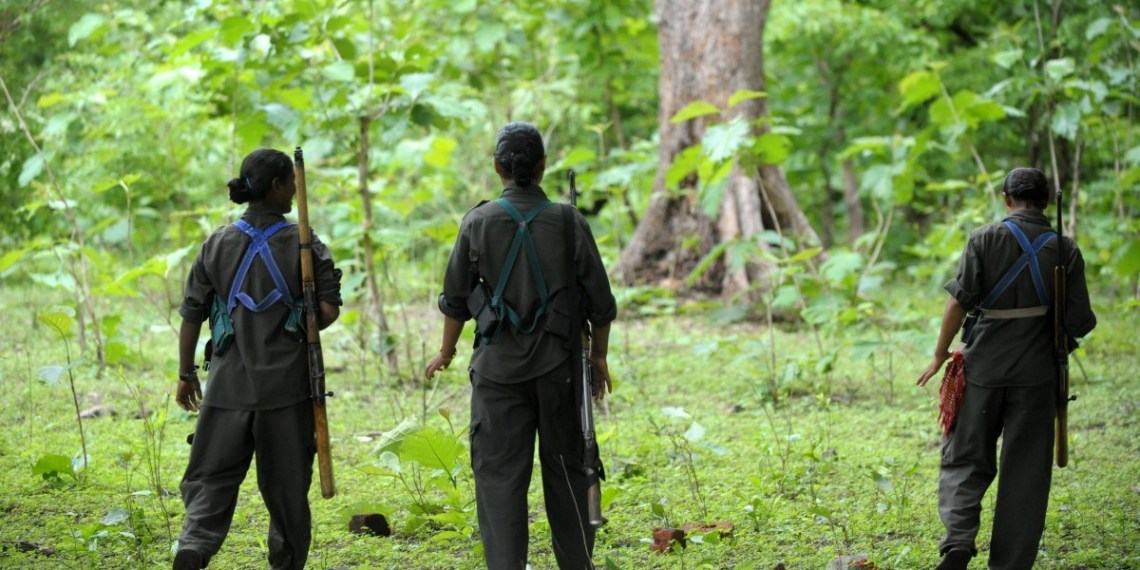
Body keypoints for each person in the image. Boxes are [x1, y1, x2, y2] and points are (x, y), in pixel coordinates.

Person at [425, 122, 617, 570]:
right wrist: (598, 357)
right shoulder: (569, 221)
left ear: (498, 167)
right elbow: (602, 304)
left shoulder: (477, 222)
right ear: (543, 165)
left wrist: (446, 352)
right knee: (570, 474)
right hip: (561, 370)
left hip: (497, 375)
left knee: (498, 480)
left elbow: (455, 300)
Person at [916, 167, 1096, 570]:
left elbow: (958, 301)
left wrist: (940, 354)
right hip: (1037, 375)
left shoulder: (984, 238)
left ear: (1006, 198)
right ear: (1045, 202)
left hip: (982, 369)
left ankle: (958, 542)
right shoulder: (1066, 250)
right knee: (1026, 472)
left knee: (965, 457)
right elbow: (1080, 321)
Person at [173, 148, 342, 570]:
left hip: (226, 390)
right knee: (287, 490)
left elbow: (192, 314)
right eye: (292, 185)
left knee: (210, 479)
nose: (296, 192)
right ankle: (286, 562)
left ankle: (195, 545)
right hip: (286, 393)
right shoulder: (304, 242)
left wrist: (186, 373)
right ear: (277, 186)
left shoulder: (217, 243)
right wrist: (301, 313)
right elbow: (327, 311)